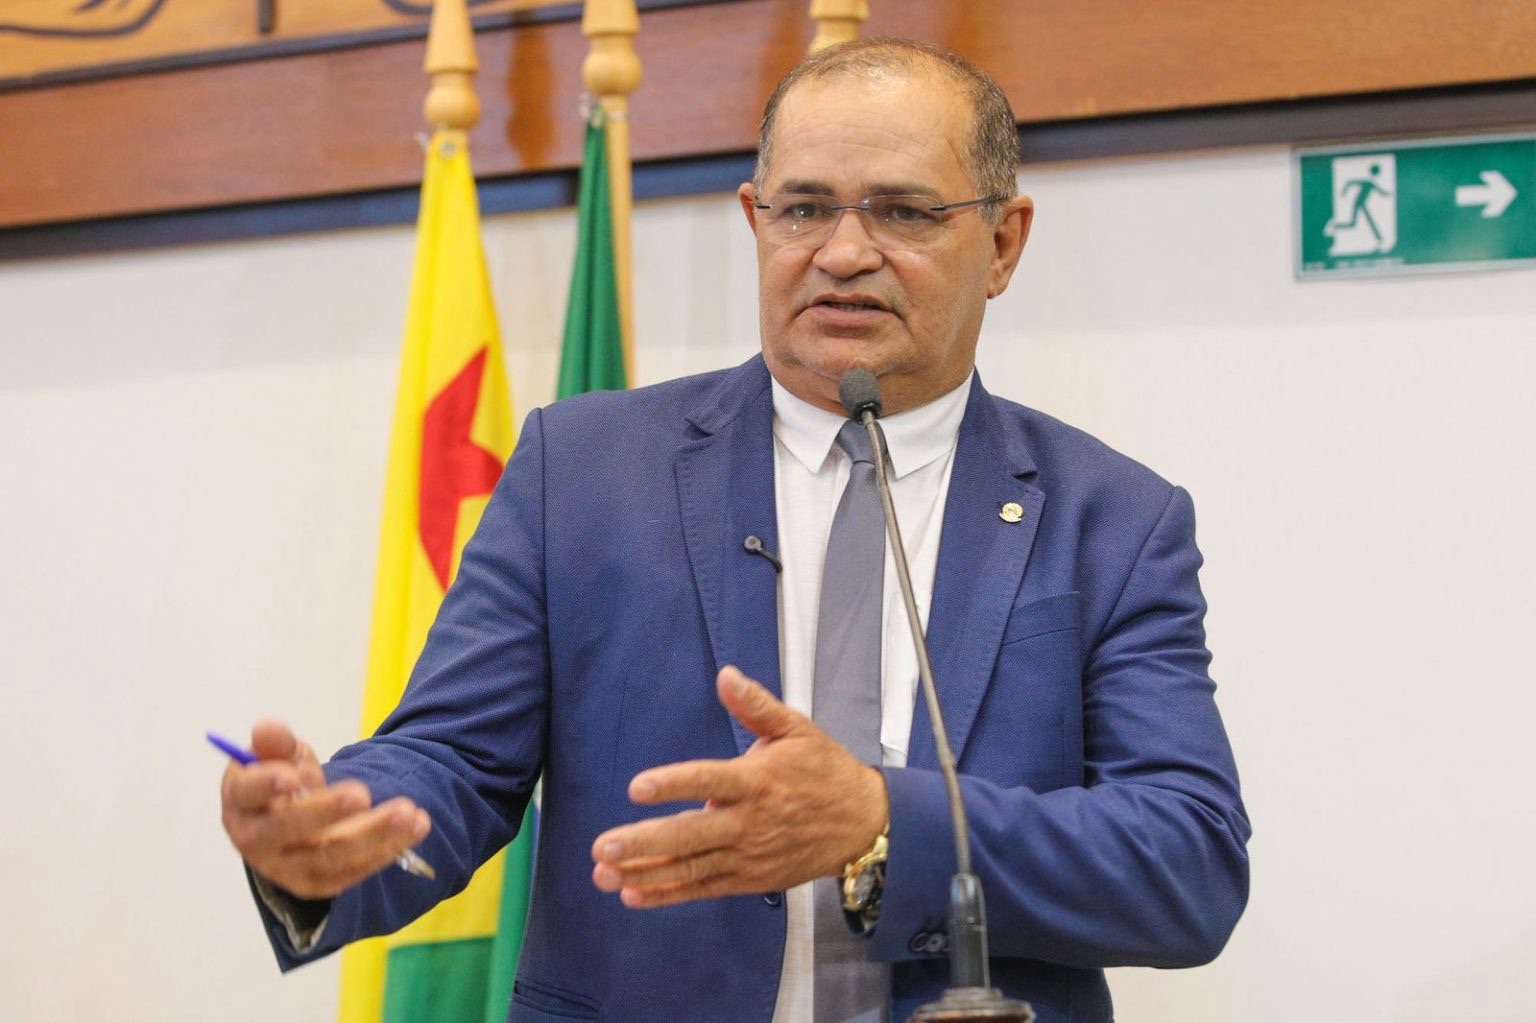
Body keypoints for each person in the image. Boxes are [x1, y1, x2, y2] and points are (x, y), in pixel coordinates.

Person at [221, 38, 1249, 1023]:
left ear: (1003, 243)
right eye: (805, 208)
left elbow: (1188, 858)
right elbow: (450, 760)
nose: (844, 253)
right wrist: (330, 832)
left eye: (902, 211)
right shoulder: (581, 473)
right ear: (756, 220)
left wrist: (883, 822)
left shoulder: (1113, 519)